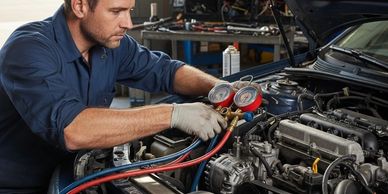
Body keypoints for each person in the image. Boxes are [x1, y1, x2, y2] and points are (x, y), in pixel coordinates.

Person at [0, 0, 228, 193]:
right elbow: (73, 129)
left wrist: (219, 87)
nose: (128, 23)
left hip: (80, 172)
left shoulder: (111, 45)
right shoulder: (27, 48)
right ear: (79, 6)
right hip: (20, 186)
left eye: (129, 10)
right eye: (116, 11)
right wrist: (173, 114)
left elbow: (166, 71)